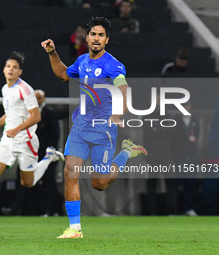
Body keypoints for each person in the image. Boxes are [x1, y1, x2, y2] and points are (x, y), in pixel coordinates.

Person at [41, 16, 147, 238]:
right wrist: (52, 53)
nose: (96, 38)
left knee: (100, 184)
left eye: (101, 35)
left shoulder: (113, 65)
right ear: (86, 37)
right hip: (80, 128)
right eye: (93, 34)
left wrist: (118, 113)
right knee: (70, 173)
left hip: (103, 132)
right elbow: (62, 75)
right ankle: (74, 229)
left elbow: (124, 91)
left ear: (106, 40)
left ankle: (127, 152)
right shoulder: (81, 62)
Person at [0, 52, 64, 225]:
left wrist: (18, 129)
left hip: (26, 141)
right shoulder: (5, 89)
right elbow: (10, 114)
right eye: (8, 67)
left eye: (15, 68)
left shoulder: (25, 89)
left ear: (20, 72)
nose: (11, 70)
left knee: (27, 183)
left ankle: (48, 157)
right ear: (4, 70)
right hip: (8, 139)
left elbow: (36, 116)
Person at [11, 89, 62, 215]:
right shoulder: (27, 113)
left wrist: (49, 151)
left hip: (44, 154)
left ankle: (52, 210)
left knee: (49, 181)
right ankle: (20, 209)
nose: (37, 100)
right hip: (29, 153)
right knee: (23, 180)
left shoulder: (49, 113)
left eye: (39, 97)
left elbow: (55, 135)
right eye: (34, 97)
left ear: (44, 99)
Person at [170, 100, 199, 216]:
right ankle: (174, 209)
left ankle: (188, 208)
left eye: (187, 104)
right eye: (183, 105)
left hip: (191, 156)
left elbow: (197, 136)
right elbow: (173, 139)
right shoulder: (175, 120)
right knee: (177, 183)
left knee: (191, 183)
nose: (186, 107)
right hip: (179, 157)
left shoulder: (194, 120)